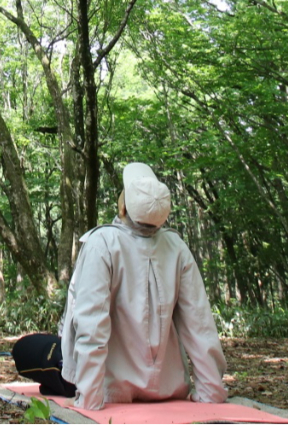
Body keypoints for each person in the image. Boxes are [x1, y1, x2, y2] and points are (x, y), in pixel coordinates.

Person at [12, 162, 228, 413]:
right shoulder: (176, 246)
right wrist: (210, 390)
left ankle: (63, 383)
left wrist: (88, 398)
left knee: (24, 349)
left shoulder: (102, 242)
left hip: (109, 388)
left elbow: (92, 324)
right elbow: (199, 324)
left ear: (124, 206)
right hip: (168, 387)